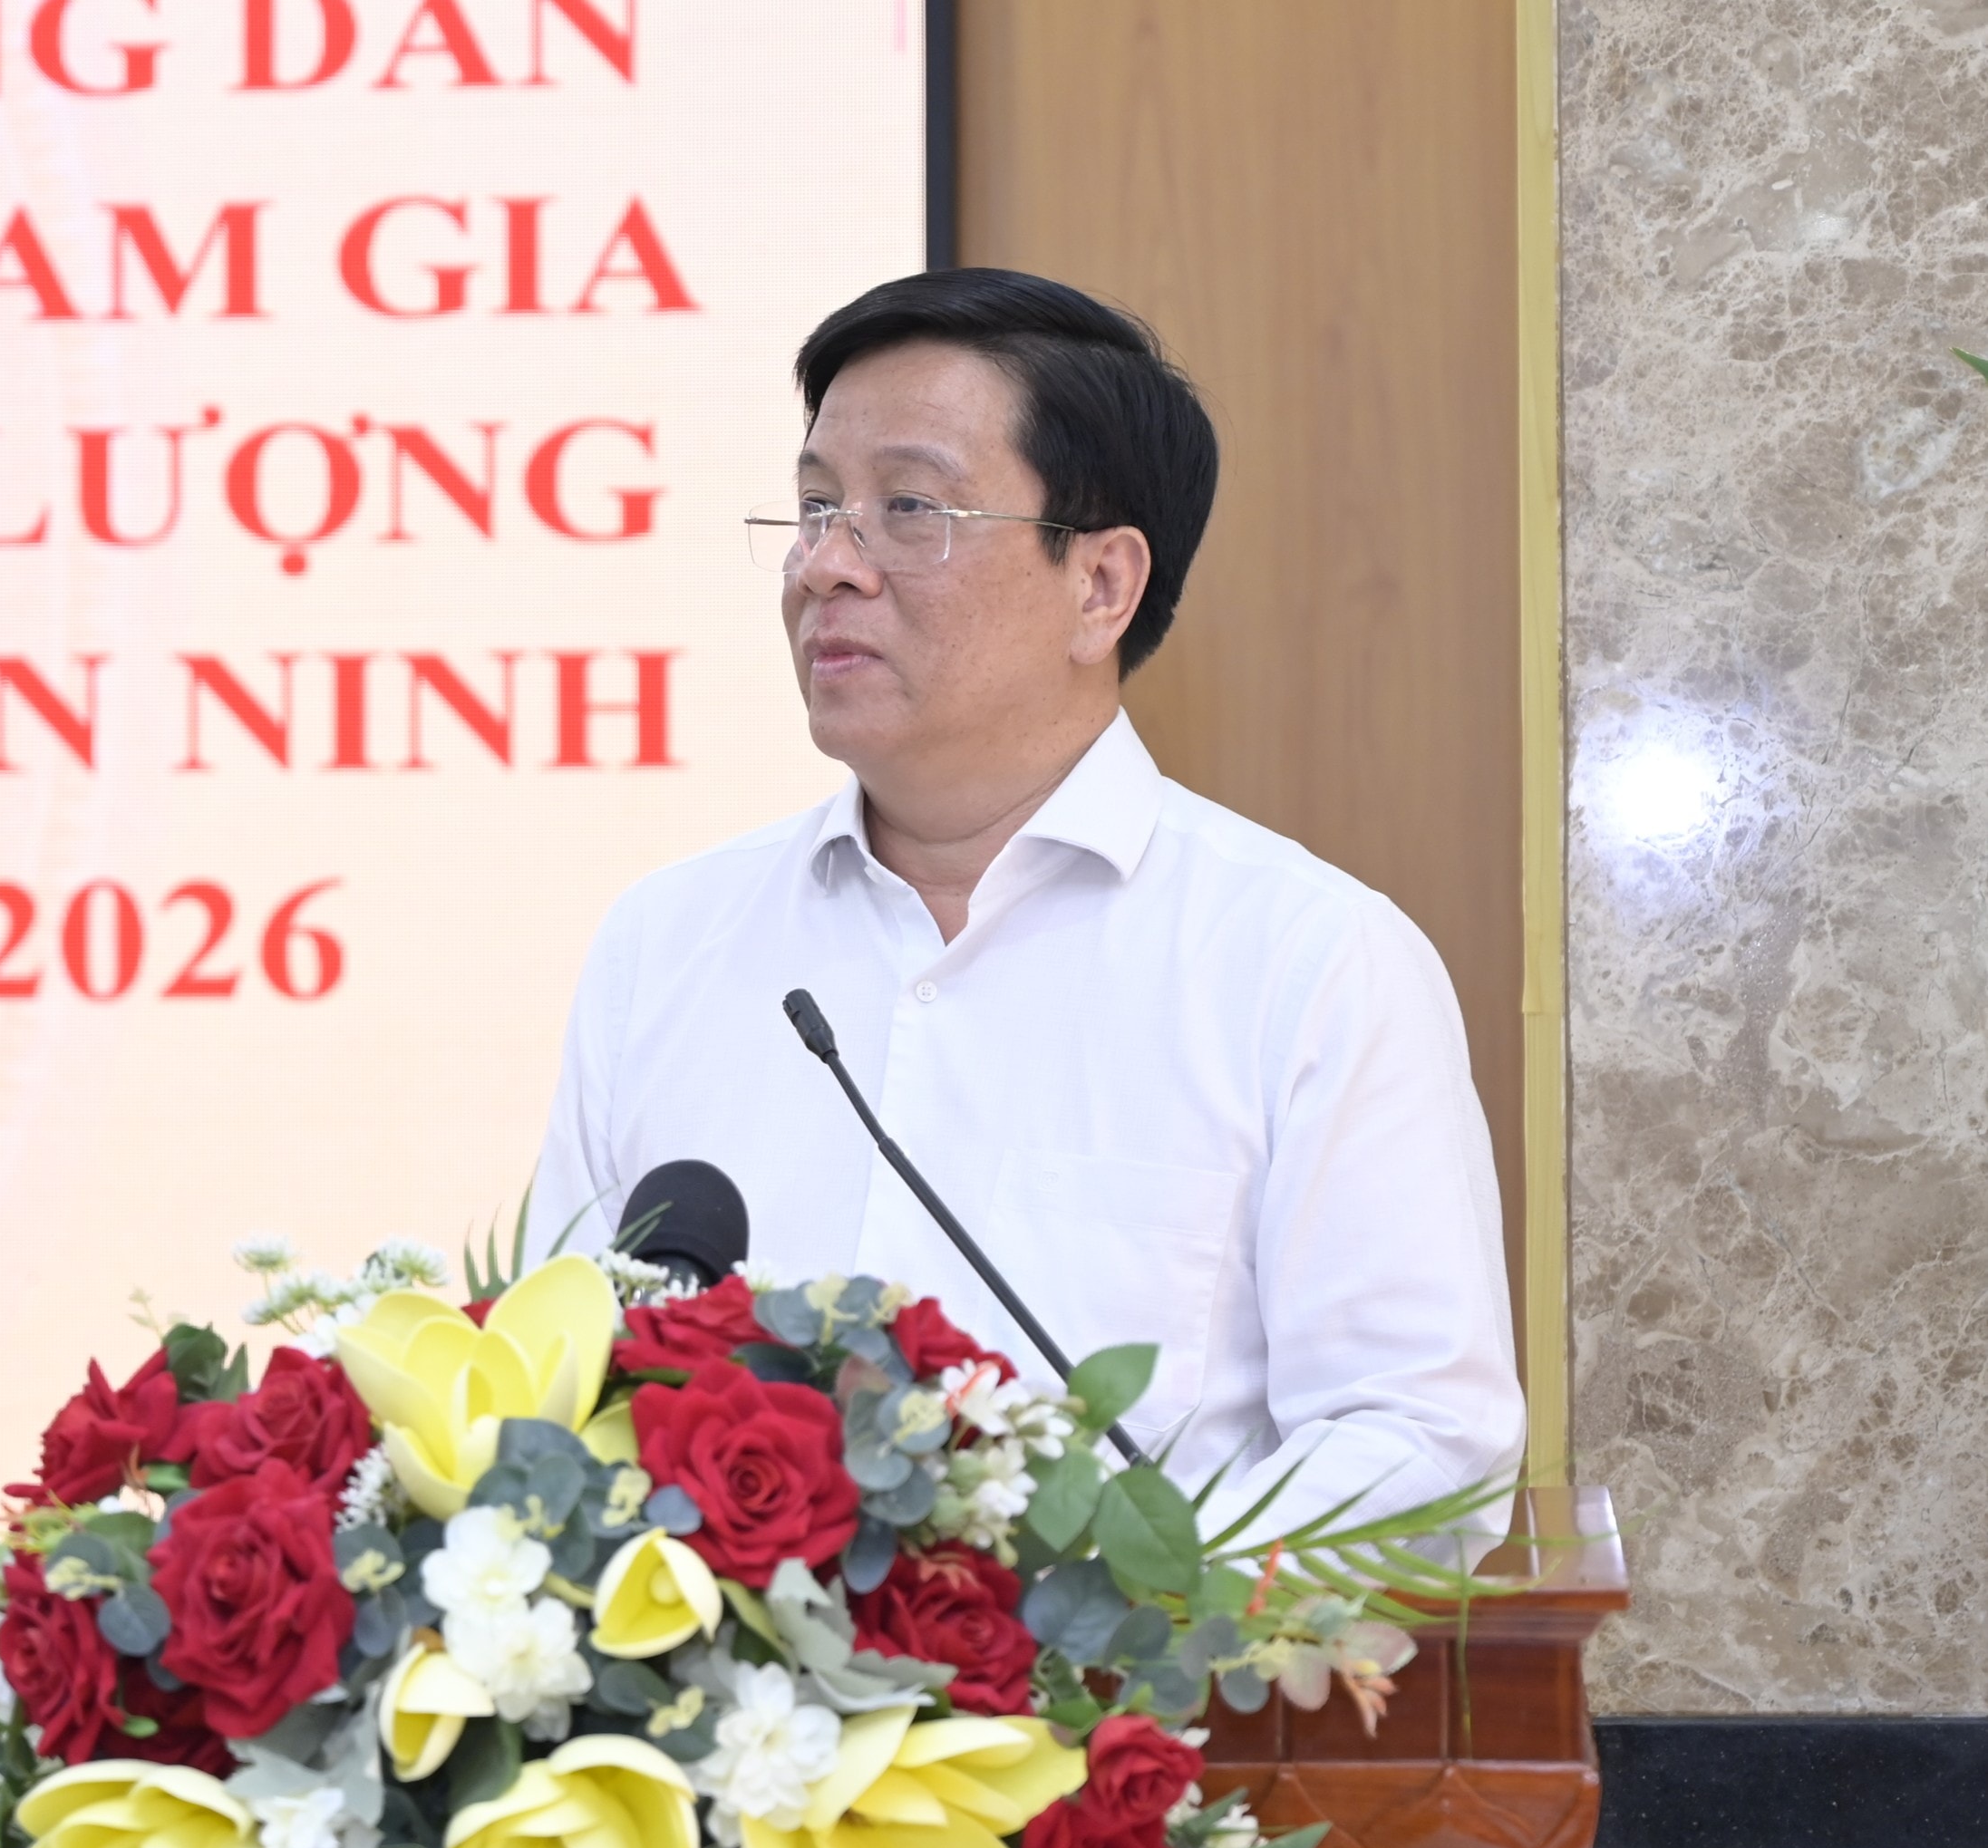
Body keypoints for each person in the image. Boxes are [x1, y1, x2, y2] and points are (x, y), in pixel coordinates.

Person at [528, 268, 1525, 1534]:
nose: (827, 565)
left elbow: (1426, 1451)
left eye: (908, 508)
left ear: (1101, 584)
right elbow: (547, 1396)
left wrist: (1079, 1598)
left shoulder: (1310, 963)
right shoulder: (666, 942)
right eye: (816, 507)